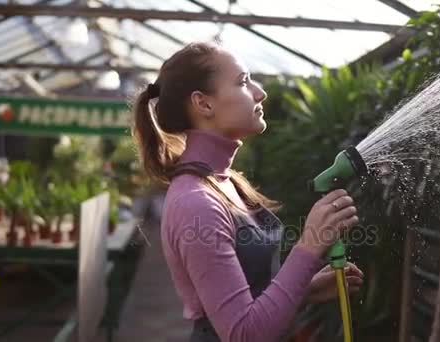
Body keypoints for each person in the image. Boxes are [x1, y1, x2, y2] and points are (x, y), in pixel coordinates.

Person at [132, 41, 364, 342]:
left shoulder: (223, 180)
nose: (260, 92)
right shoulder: (196, 203)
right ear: (204, 104)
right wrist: (309, 246)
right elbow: (244, 333)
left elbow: (246, 299)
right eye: (243, 81)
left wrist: (304, 290)